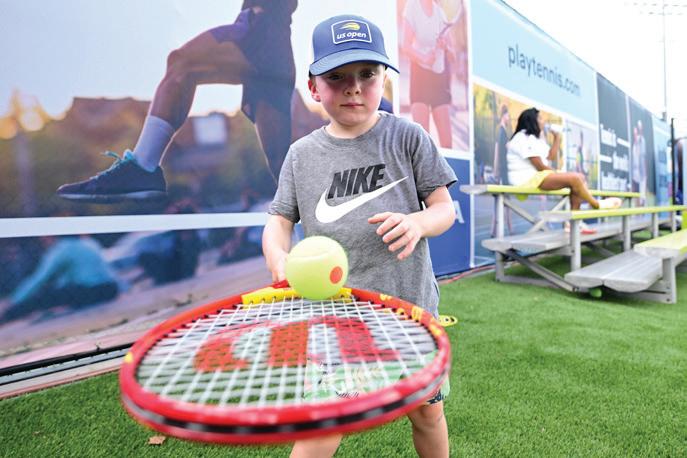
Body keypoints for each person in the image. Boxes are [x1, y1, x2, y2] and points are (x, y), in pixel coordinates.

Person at [262, 15, 456, 458]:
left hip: (410, 314)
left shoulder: (408, 136)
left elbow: (444, 208)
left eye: (367, 74)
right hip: (336, 322)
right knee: (322, 427)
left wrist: (418, 223)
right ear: (314, 87)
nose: (354, 87)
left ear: (383, 79)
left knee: (427, 414)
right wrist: (277, 257)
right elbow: (279, 220)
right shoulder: (301, 155)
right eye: (337, 76)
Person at [56, 0, 298, 203]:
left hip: (263, 32)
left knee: (182, 63)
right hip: (270, 46)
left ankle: (142, 166)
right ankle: (142, 166)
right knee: (281, 166)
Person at [507, 108, 622, 234]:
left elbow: (550, 156)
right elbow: (539, 166)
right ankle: (596, 204)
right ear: (531, 121)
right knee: (575, 179)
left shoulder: (534, 138)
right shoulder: (522, 137)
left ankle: (573, 224)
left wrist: (557, 137)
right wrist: (558, 174)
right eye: (540, 118)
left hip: (537, 176)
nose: (543, 121)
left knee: (579, 178)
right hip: (526, 179)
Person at [1, 235, 119, 322]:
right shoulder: (82, 244)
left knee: (43, 295)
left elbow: (39, 279)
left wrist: (13, 300)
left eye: (43, 240)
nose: (42, 243)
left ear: (50, 237)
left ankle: (7, 315)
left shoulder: (61, 250)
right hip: (111, 289)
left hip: (94, 291)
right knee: (57, 292)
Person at [401, 0, 456, 148]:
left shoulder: (440, 13)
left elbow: (453, 56)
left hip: (439, 79)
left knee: (447, 145)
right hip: (419, 76)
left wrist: (446, 47)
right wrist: (424, 58)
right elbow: (405, 46)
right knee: (423, 145)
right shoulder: (412, 6)